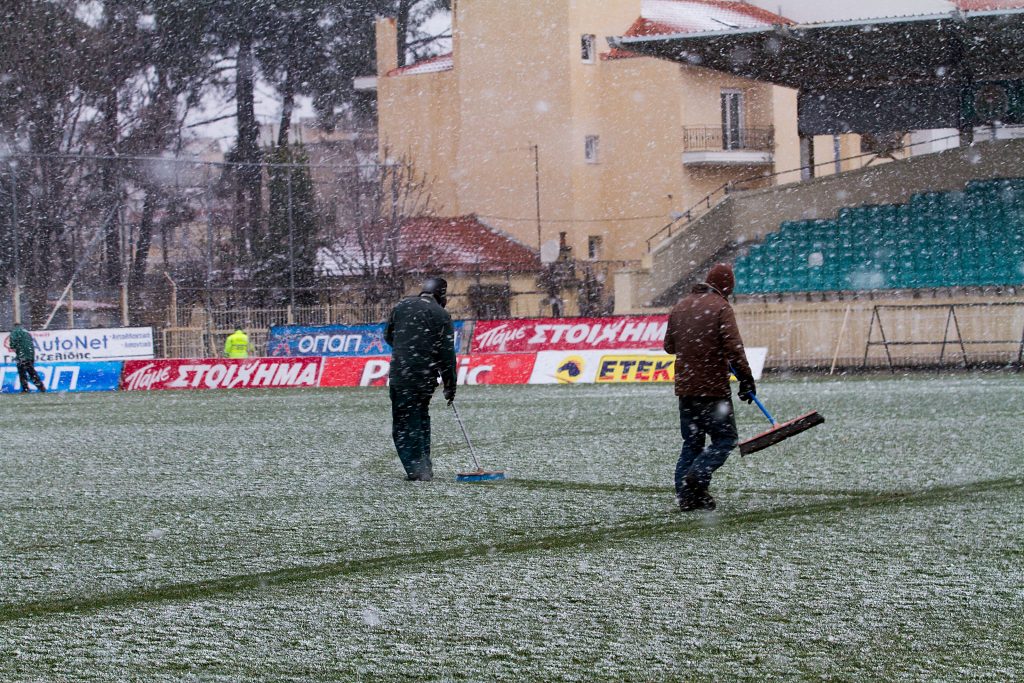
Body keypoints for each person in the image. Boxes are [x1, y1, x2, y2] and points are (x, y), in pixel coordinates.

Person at [663, 263, 755, 512]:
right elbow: (734, 348)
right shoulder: (721, 307)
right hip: (713, 389)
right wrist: (746, 380)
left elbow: (669, 346)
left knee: (691, 443)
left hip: (686, 388)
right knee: (725, 439)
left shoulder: (680, 305)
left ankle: (686, 496)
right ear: (726, 286)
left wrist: (694, 345)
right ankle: (698, 476)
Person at [384, 277, 458, 482]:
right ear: (441, 294)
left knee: (404, 423)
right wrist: (450, 385)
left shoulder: (402, 306)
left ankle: (417, 468)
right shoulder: (441, 315)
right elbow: (447, 355)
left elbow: (388, 336)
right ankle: (423, 464)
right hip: (425, 377)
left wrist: (406, 350)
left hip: (401, 374)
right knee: (420, 418)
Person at [8, 322, 46, 393]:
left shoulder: (15, 332)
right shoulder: (26, 332)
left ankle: (25, 389)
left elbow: (12, 344)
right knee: (32, 372)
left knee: (22, 373)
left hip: (22, 356)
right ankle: (41, 387)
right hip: (30, 355)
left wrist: (15, 347)